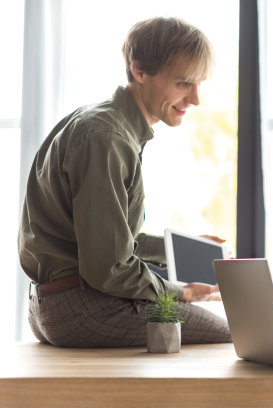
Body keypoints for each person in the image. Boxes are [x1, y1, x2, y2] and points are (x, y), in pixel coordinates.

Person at [18, 17, 231, 347]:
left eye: (199, 83)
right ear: (139, 71)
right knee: (233, 339)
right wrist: (183, 293)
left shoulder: (103, 123)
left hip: (56, 304)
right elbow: (110, 268)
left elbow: (110, 244)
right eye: (183, 83)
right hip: (83, 308)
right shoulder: (108, 138)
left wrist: (179, 247)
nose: (196, 99)